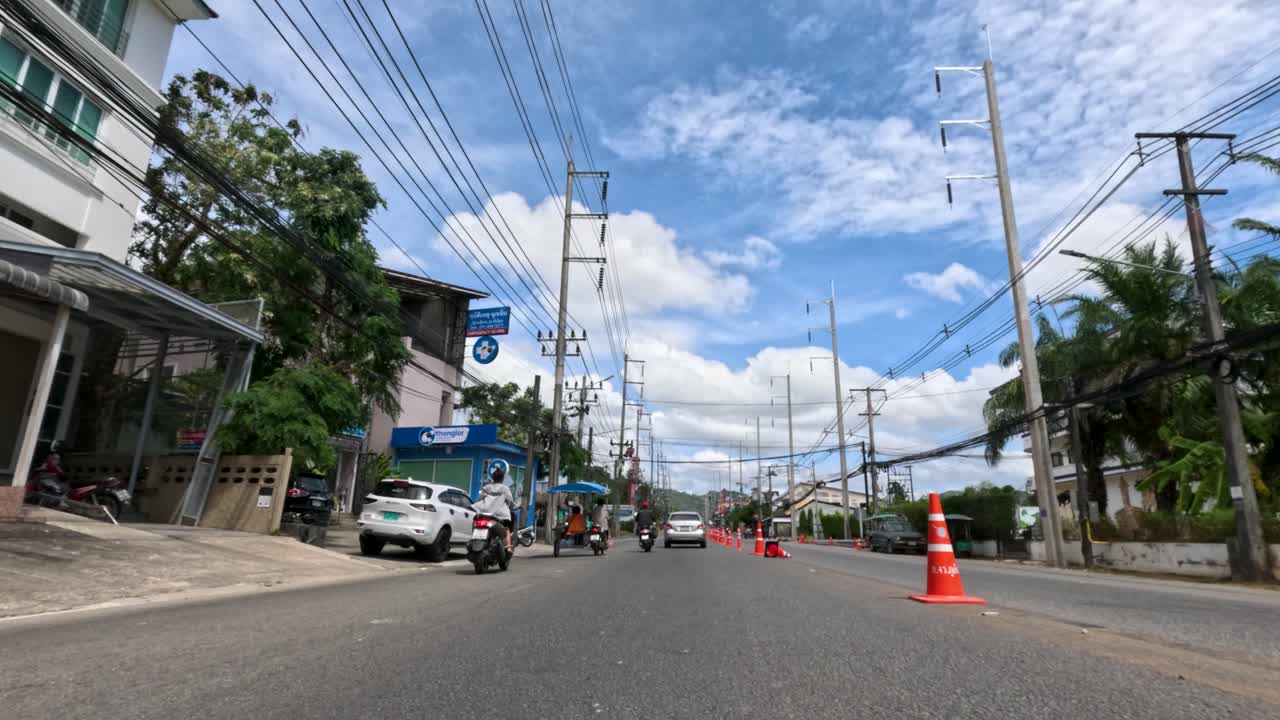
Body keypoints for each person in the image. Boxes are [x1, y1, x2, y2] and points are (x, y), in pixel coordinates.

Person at [473, 467, 516, 549]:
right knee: (507, 529)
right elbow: (510, 501)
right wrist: (511, 507)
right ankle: (509, 548)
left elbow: (480, 499)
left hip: (485, 514)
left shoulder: (486, 488)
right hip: (499, 515)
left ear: (492, 478)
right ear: (503, 479)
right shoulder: (505, 489)